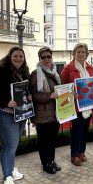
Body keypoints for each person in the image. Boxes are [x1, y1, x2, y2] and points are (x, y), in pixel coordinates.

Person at [0, 46, 31, 184]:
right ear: (9, 56)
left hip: (20, 113)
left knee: (13, 143)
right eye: (15, 56)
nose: (18, 58)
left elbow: (26, 88)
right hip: (2, 113)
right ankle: (7, 176)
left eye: (21, 56)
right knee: (9, 145)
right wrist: (6, 101)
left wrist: (29, 95)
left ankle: (11, 169)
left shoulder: (24, 71)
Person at [61, 43, 93, 166]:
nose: (81, 54)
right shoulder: (68, 69)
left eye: (83, 52)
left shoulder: (91, 68)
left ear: (87, 54)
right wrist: (71, 93)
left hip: (88, 105)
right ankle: (74, 154)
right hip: (76, 106)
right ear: (74, 54)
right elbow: (62, 87)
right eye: (78, 52)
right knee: (77, 131)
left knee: (85, 130)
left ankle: (82, 152)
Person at [29, 47, 62, 175]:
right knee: (44, 141)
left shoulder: (55, 72)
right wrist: (50, 96)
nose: (47, 59)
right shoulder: (35, 74)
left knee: (52, 140)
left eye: (49, 56)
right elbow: (34, 95)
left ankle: (51, 161)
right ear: (39, 59)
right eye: (44, 57)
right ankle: (46, 164)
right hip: (42, 115)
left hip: (55, 113)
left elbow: (61, 90)